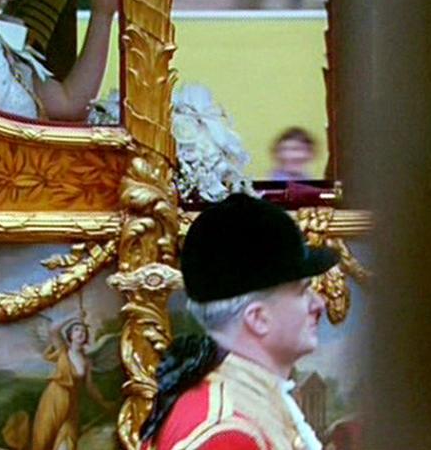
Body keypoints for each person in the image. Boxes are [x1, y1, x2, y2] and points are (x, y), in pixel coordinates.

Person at [140, 193, 335, 450]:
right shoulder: (227, 434)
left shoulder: (247, 399)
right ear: (258, 318)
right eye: (302, 291)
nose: (319, 304)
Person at [28, 317, 116, 450]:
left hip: (72, 403)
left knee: (67, 441)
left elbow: (90, 387)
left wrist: (103, 403)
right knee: (45, 437)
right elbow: (54, 329)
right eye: (76, 330)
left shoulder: (86, 361)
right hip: (55, 397)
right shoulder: (63, 350)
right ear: (70, 335)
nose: (80, 333)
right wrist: (75, 316)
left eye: (83, 331)